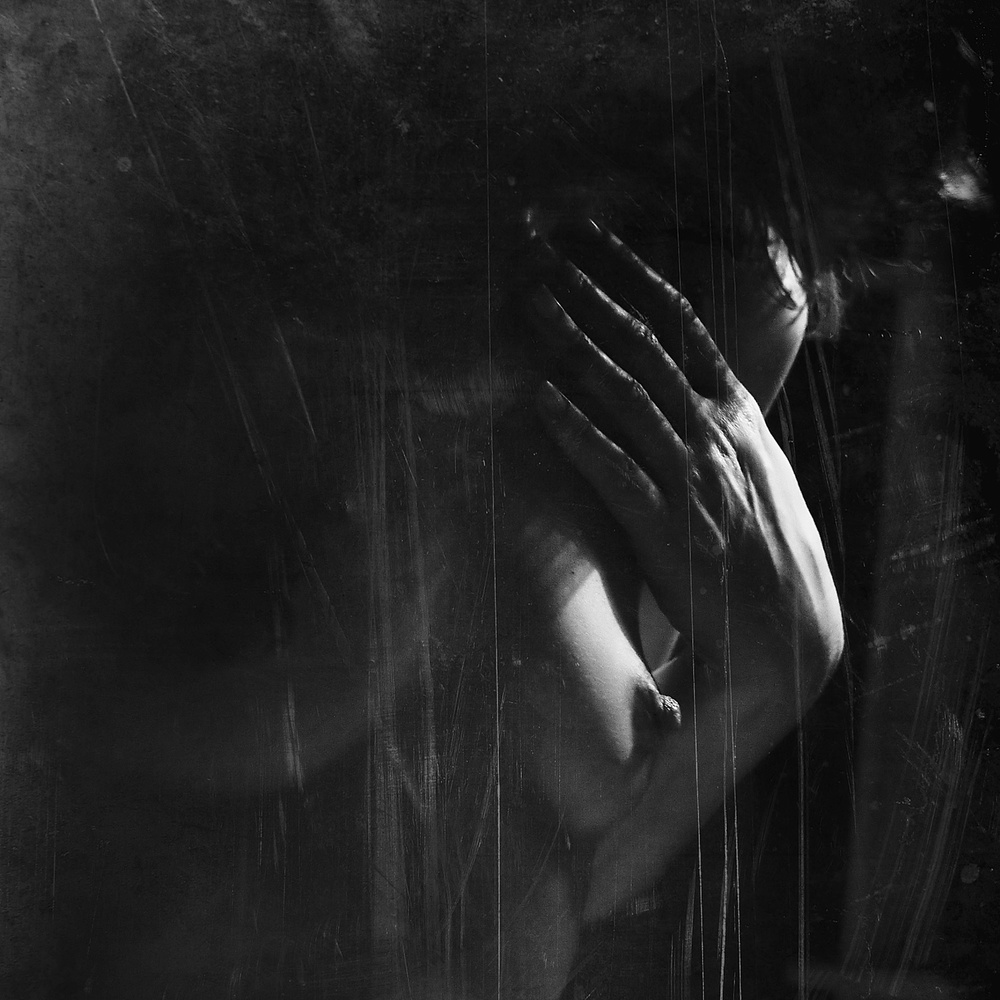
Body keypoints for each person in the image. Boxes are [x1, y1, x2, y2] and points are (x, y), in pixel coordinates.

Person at [0, 3, 865, 997]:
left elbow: (540, 878)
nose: (721, 462)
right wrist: (296, 704)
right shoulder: (268, 374)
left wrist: (773, 677)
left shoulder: (599, 485)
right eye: (671, 394)